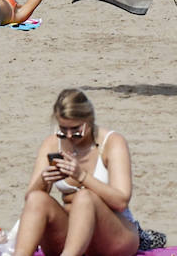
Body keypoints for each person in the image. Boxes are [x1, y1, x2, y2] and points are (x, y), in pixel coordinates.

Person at [15, 89, 140, 256]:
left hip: (111, 232)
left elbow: (121, 201)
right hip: (69, 232)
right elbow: (30, 200)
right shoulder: (53, 143)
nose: (69, 135)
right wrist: (43, 180)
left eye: (75, 129)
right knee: (37, 198)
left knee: (85, 197)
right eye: (63, 129)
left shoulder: (112, 142)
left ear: (89, 121)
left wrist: (82, 176)